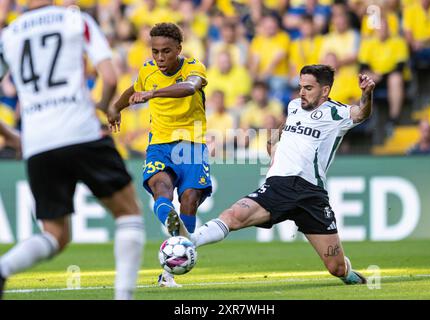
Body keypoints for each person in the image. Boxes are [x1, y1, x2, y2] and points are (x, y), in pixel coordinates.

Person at [171, 65, 375, 285]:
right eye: (300, 87)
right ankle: (190, 240)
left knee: (336, 268)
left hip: (311, 193)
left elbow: (361, 112)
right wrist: (273, 148)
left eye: (308, 88)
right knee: (232, 216)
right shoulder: (294, 106)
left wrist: (367, 94)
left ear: (325, 91)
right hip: (279, 186)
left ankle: (348, 274)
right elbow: (279, 134)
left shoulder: (338, 113)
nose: (302, 92)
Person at [0, 0, 145, 300]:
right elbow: (110, 77)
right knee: (127, 212)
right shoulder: (75, 20)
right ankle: (124, 297)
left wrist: (12, 136)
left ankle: (3, 268)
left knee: (55, 235)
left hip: (38, 143)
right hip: (81, 131)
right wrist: (104, 108)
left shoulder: (9, 36)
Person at [107, 22, 211, 288]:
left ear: (179, 49)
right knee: (160, 189)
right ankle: (172, 224)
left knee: (189, 199)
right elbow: (135, 88)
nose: (160, 57)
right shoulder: (147, 69)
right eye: (155, 52)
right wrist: (115, 108)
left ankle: (169, 272)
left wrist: (151, 94)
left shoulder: (194, 68)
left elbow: (189, 88)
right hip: (160, 144)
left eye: (166, 51)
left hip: (192, 143)